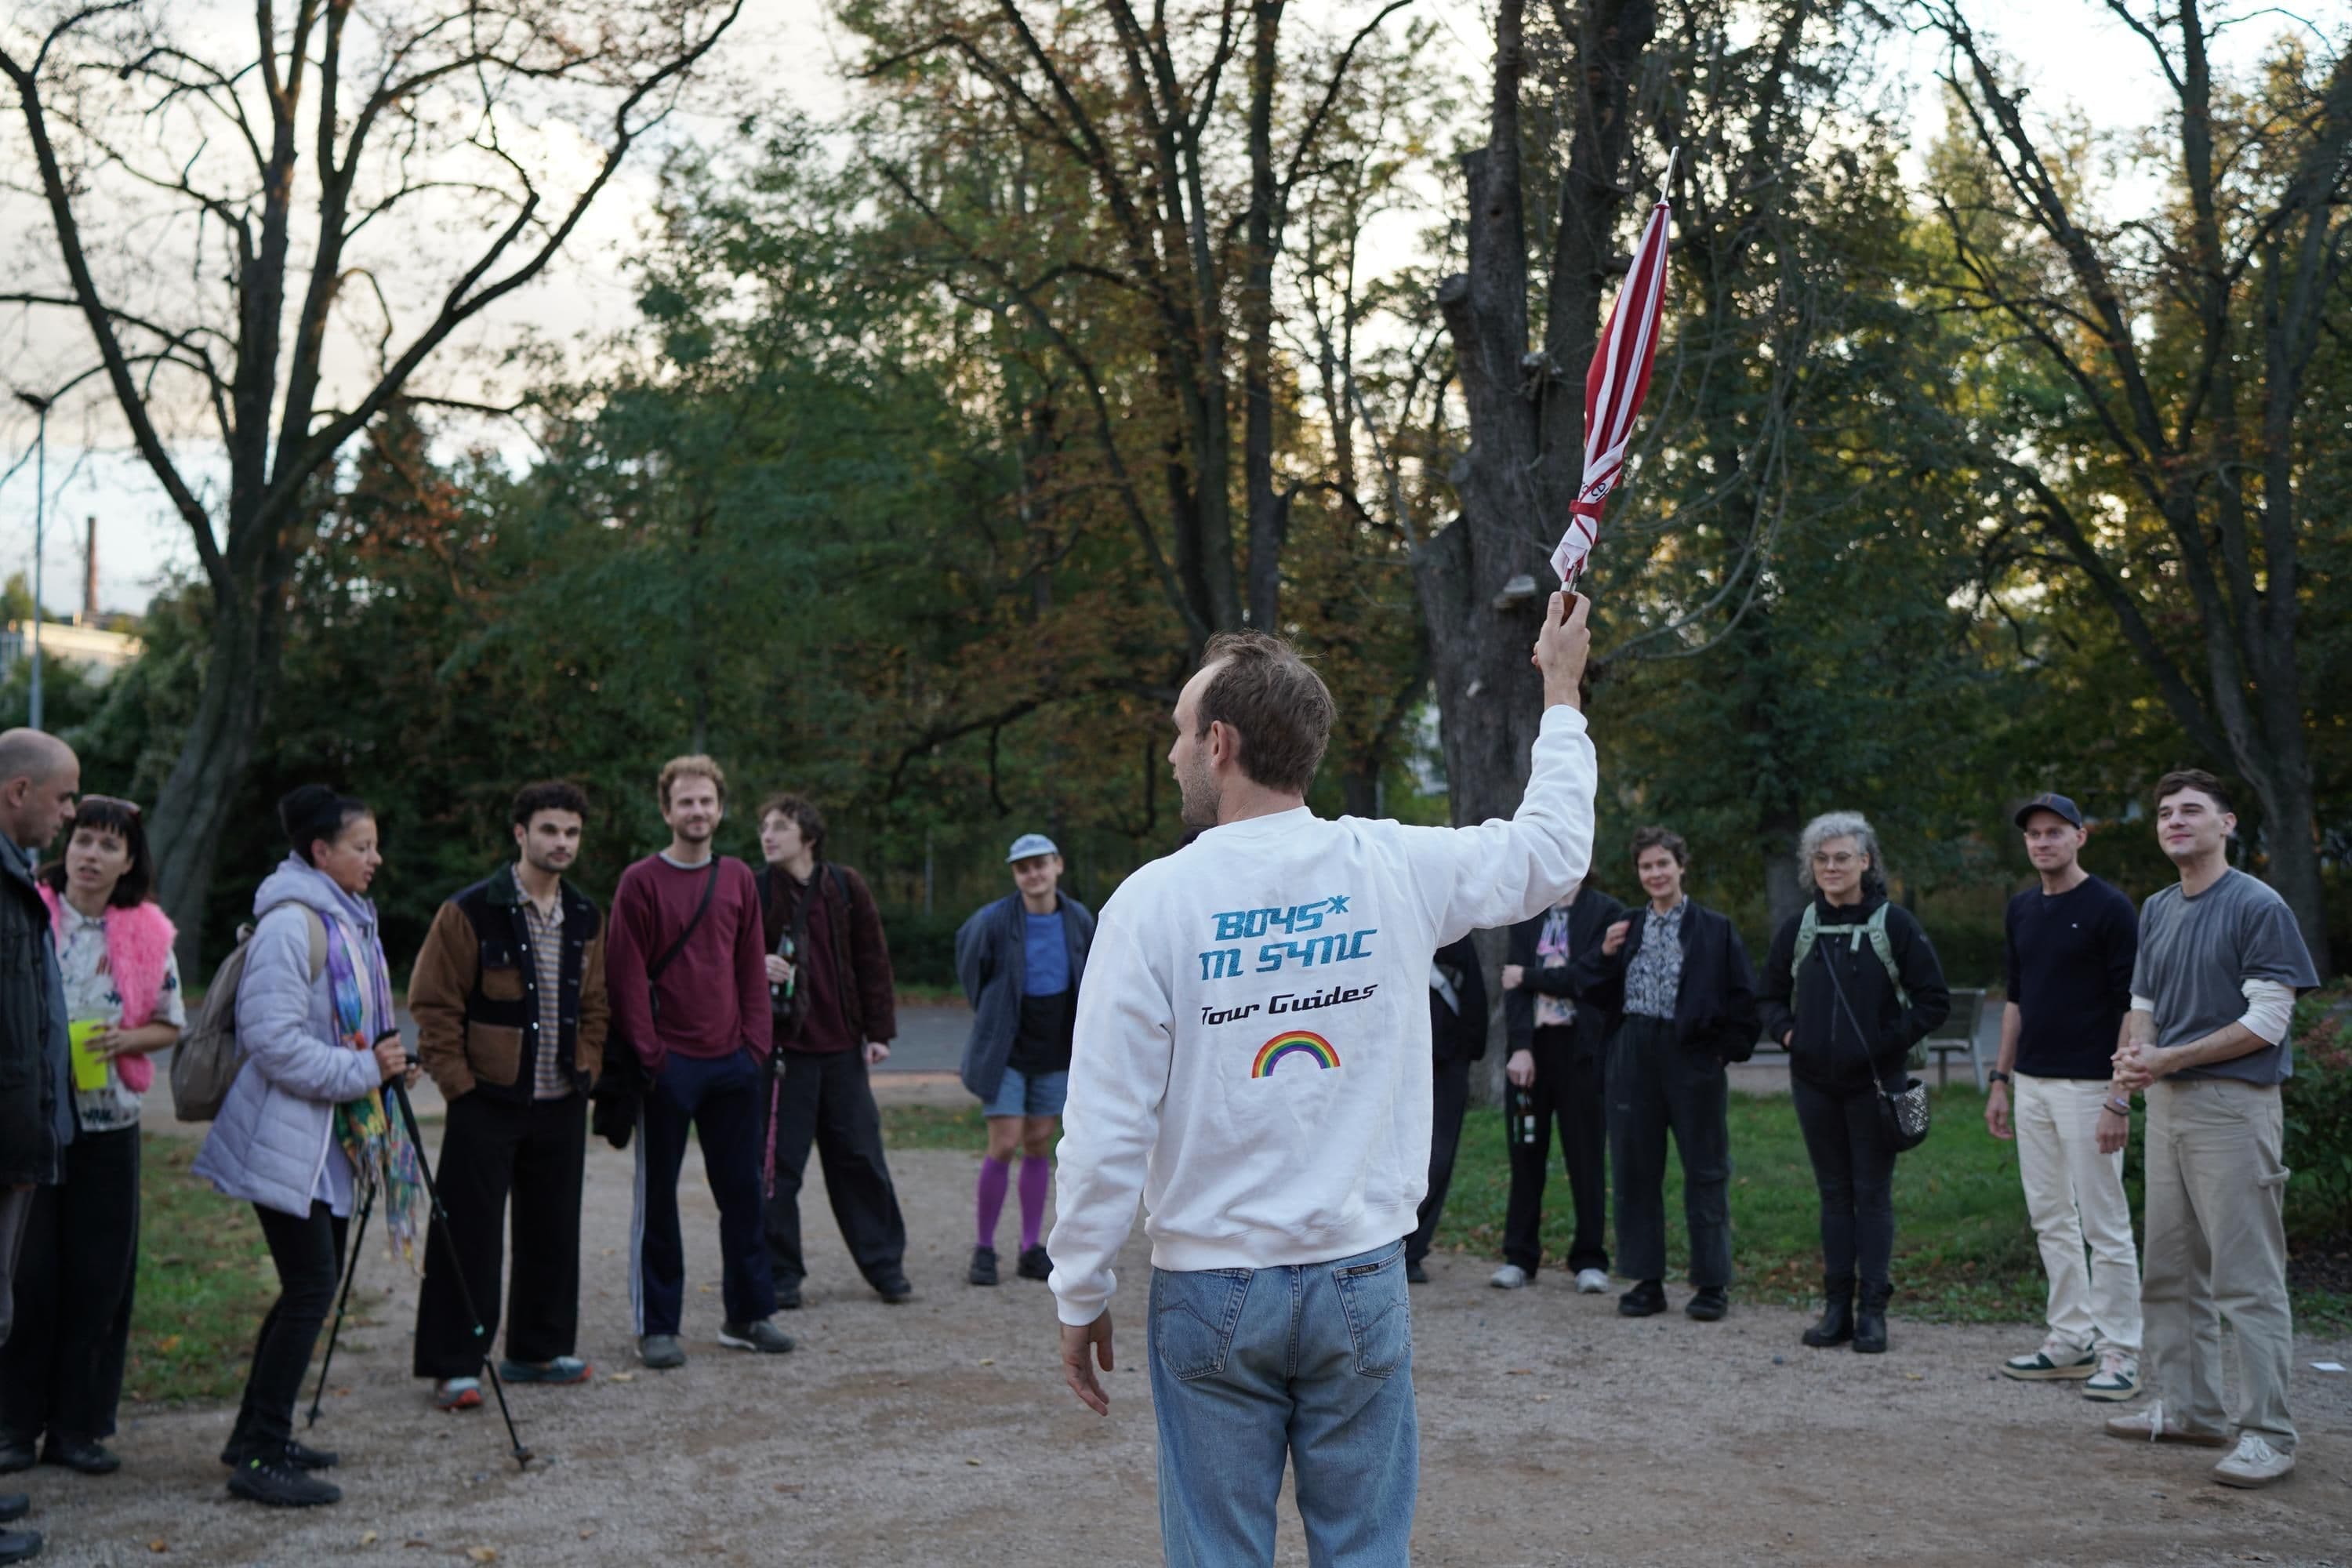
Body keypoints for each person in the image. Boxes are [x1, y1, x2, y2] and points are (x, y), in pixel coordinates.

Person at [1051, 594, 1597, 1565]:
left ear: (1220, 742)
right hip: (1359, 1273)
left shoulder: (1153, 902)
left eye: (1181, 732)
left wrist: (1079, 1285)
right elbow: (1551, 852)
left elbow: (1105, 1122)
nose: (1173, 752)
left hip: (1211, 1281)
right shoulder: (1392, 864)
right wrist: (1561, 692)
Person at [191, 786, 423, 1507]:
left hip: (332, 1143)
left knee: (305, 1290)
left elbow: (355, 1029)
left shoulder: (352, 920)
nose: (375, 858)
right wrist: (364, 1070)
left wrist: (389, 1064)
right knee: (310, 1289)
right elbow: (273, 1044)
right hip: (289, 1141)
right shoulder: (294, 925)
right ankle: (258, 1457)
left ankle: (255, 1434)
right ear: (320, 852)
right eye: (362, 846)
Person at [2101, 769, 2318, 1490]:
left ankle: (2268, 1434)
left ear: (2227, 824)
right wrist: (2131, 1069)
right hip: (2167, 1106)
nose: (2174, 821)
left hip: (2234, 1107)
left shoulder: (2258, 904)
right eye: (2164, 812)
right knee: (2168, 1271)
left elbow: (2268, 1022)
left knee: (2246, 1279)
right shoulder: (2159, 907)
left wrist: (2168, 1057)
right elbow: (2143, 1001)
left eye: (2191, 810)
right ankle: (2192, 1409)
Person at [408, 782, 610, 1411]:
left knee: (552, 1231)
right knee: (466, 1234)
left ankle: (536, 1352)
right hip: (486, 1101)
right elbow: (433, 1004)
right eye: (550, 830)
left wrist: (589, 1069)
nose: (562, 843)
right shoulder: (471, 911)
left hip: (560, 1101)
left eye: (572, 833)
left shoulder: (583, 917)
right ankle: (454, 1364)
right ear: (520, 834)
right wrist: (459, 1087)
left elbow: (597, 1004)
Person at [1, 797, 183, 1477]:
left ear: (129, 861)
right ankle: (15, 1426)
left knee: (97, 1282)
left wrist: (128, 1038)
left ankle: (78, 1429)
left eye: (109, 845)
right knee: (29, 1279)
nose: (90, 854)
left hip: (110, 1127)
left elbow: (171, 1023)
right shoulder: (27, 907)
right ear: (67, 846)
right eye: (83, 839)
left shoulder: (147, 932)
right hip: (35, 1123)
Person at [607, 756, 791, 1369]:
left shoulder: (738, 877)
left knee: (743, 1194)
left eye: (707, 801)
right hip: (668, 1066)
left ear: (721, 808)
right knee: (658, 1199)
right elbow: (626, 974)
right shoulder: (640, 881)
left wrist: (754, 1047)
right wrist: (651, 1052)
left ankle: (748, 1315)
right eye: (686, 802)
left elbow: (749, 964)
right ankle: (658, 1325)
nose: (697, 812)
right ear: (667, 811)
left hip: (733, 1063)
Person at [1759, 811, 1950, 1356]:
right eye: (1821, 859)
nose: (1832, 866)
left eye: (1843, 857)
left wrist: (1887, 1040)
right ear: (1811, 868)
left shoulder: (1896, 926)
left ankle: (1873, 1312)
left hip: (1875, 1086)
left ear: (1866, 862)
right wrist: (1789, 1034)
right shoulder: (1800, 929)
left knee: (1871, 1195)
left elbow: (1933, 1000)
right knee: (1834, 1196)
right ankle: (1836, 1308)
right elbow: (1767, 995)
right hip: (1814, 1083)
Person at [1986, 792, 2142, 1399]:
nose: (2043, 842)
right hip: (2031, 1085)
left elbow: (2134, 1006)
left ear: (2081, 837)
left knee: (2104, 1222)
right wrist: (2001, 1081)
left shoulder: (2110, 908)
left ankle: (2120, 1351)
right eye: (2034, 834)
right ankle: (2070, 1339)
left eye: (2055, 832)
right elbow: (2016, 1001)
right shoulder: (2022, 910)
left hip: (2090, 1085)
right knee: (2050, 1216)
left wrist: (2118, 1096)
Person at [1569, 826, 1759, 1322]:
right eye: (1646, 867)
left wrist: (1722, 1053)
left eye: (1662, 864)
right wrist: (1606, 954)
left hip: (1692, 1054)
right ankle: (1645, 1280)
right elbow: (1584, 983)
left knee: (1705, 1169)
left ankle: (1712, 1283)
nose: (1655, 874)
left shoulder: (1714, 928)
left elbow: (1744, 999)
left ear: (1680, 866)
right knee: (1634, 1170)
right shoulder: (1625, 927)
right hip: (1633, 1052)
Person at [755, 793, 913, 1307]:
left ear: (809, 837)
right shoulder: (754, 890)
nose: (768, 835)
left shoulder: (845, 886)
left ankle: (885, 1267)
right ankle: (781, 1276)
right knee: (778, 1169)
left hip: (843, 1050)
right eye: (764, 828)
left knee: (861, 1160)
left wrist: (878, 1032)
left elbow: (873, 960)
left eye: (780, 826)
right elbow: (728, 955)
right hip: (784, 1057)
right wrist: (755, 966)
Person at [0, 729, 80, 1563]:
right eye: (62, 798)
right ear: (17, 790)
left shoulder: (18, 877)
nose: (69, 814)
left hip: (19, 1139)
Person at [955, 833, 1096, 1287]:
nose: (1033, 874)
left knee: (1039, 1140)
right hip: (1007, 1049)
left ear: (1058, 865)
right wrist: (995, 1017)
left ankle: (1030, 1247)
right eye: (1023, 867)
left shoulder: (1077, 919)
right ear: (1014, 874)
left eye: (1040, 864)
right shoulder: (993, 921)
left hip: (1055, 1046)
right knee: (1005, 1139)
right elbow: (971, 969)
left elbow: (1092, 973)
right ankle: (984, 1248)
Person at [1491, 883, 1623, 1293]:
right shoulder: (1526, 911)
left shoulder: (1607, 912)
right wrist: (1520, 1048)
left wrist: (1528, 977)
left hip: (1582, 1051)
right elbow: (1511, 990)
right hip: (1532, 1051)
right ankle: (1519, 1256)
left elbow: (1589, 978)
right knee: (1525, 1151)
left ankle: (1589, 1260)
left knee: (1585, 1156)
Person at [1404, 933, 1487, 1284]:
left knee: (1438, 1159)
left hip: (1448, 1060)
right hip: (1402, 1062)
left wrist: (1469, 1050)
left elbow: (1473, 995)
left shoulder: (1457, 936)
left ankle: (1414, 1250)